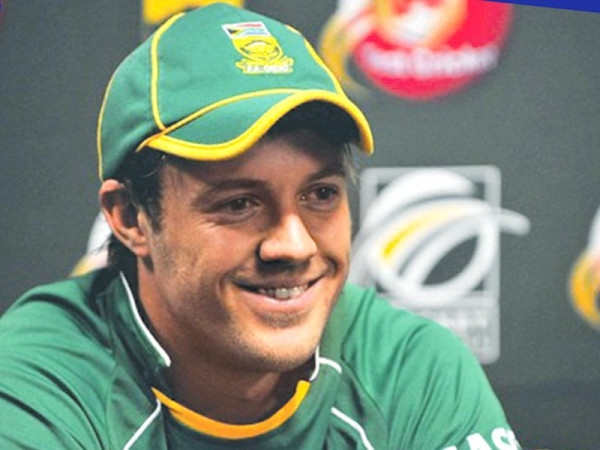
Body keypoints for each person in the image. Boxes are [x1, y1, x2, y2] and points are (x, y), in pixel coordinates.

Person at [0, 4, 520, 449]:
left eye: (320, 195)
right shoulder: (39, 381)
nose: (293, 244)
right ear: (130, 218)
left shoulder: (411, 369)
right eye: (239, 204)